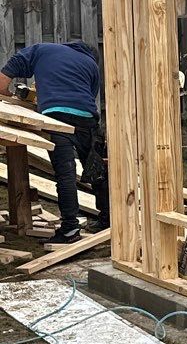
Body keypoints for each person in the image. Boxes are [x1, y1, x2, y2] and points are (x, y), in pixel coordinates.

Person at [0, 41, 109, 244]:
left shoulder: (40, 49)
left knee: (65, 174)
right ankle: (107, 220)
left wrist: (10, 95)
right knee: (96, 169)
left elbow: (2, 81)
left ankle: (69, 229)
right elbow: (89, 96)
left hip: (56, 116)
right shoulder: (91, 63)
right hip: (87, 118)